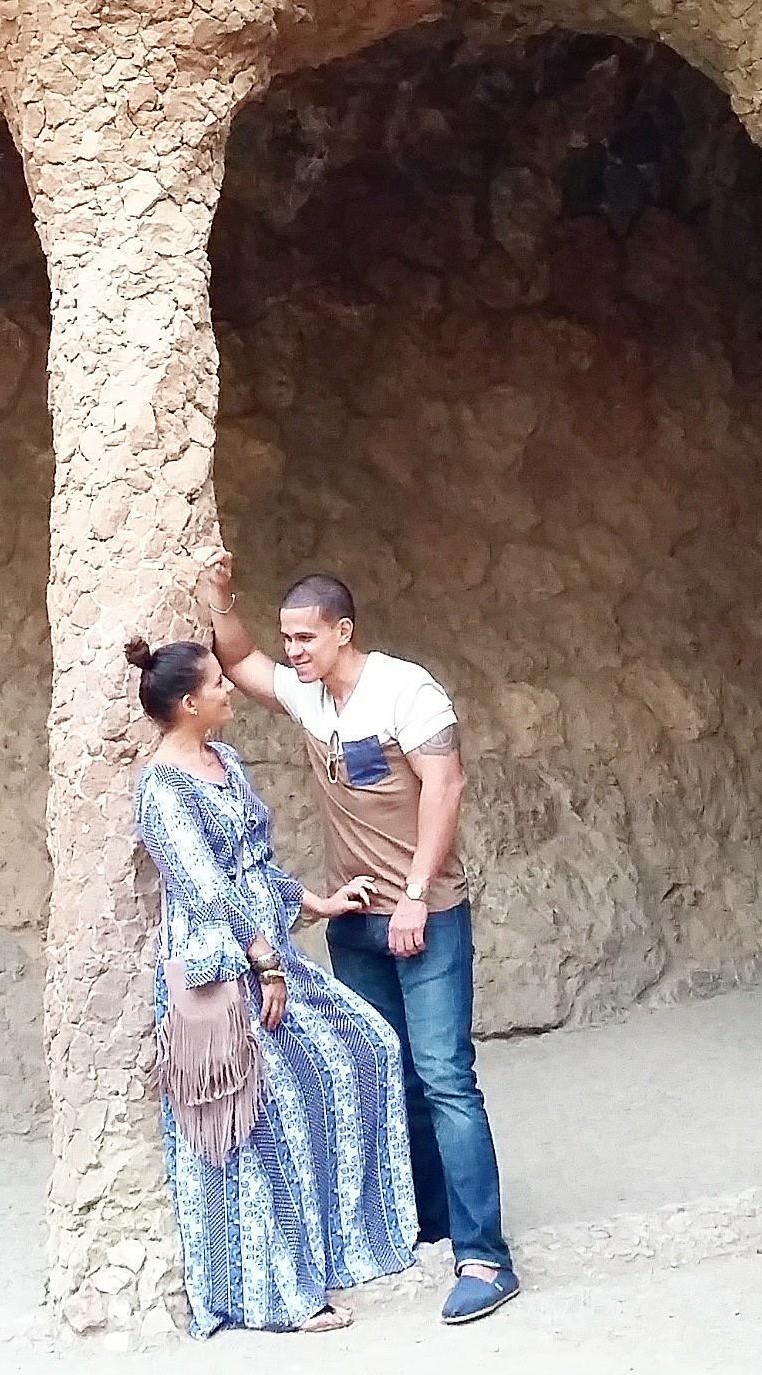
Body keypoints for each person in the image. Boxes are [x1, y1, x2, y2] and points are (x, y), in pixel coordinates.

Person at [197, 555, 521, 1326]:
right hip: (355, 917)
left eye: (306, 637)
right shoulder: (310, 696)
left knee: (445, 1076)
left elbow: (446, 787)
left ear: (345, 632)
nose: (295, 650)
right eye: (289, 637)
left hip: (426, 910)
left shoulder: (406, 690)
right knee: (390, 1069)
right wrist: (219, 602)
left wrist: (413, 897)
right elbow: (240, 661)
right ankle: (430, 1217)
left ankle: (486, 1256)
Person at [128, 633, 417, 1336]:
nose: (232, 691)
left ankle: (344, 1245)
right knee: (259, 1116)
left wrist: (318, 902)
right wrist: (264, 961)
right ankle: (276, 1295)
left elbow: (254, 864)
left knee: (368, 1048)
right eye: (219, 685)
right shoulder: (162, 789)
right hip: (223, 973)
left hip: (272, 953)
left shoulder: (223, 759)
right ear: (191, 702)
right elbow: (203, 888)